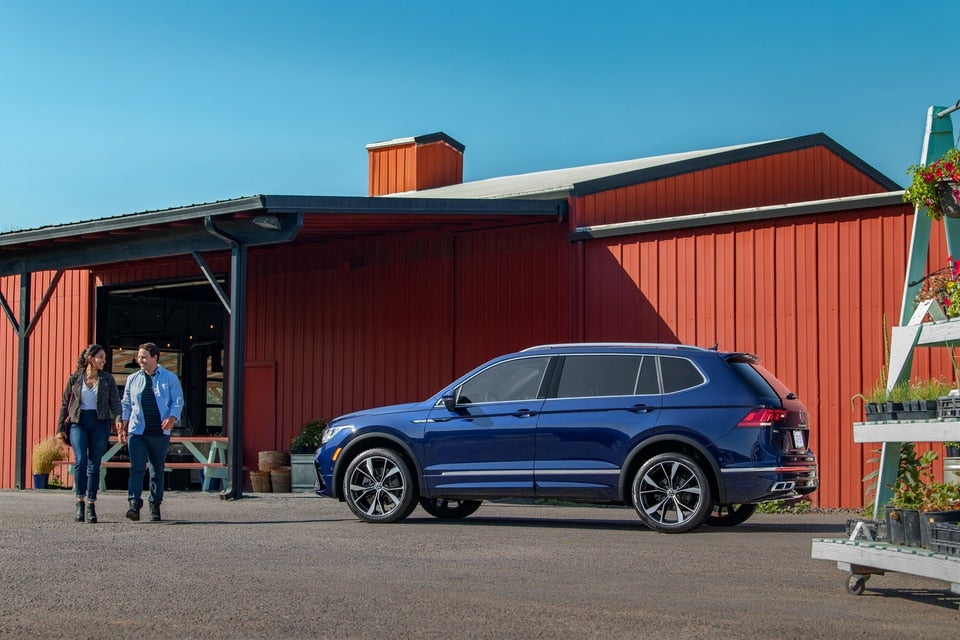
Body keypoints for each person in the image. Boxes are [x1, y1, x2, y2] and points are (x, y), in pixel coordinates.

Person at [56, 344, 123, 524]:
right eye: (101, 357)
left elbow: (115, 402)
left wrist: (118, 418)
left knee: (94, 465)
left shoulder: (107, 379)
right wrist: (60, 429)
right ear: (91, 358)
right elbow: (65, 404)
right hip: (78, 422)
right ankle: (79, 501)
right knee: (81, 461)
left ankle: (91, 504)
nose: (104, 361)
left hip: (100, 423)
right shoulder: (75, 378)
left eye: (105, 358)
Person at [118, 342, 184, 522]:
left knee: (157, 470)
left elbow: (178, 401)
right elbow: (126, 403)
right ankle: (133, 504)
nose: (140, 360)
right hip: (137, 431)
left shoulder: (169, 378)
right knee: (137, 468)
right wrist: (124, 422)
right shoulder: (133, 379)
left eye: (144, 357)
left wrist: (172, 417)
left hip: (159, 432)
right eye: (139, 357)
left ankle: (155, 504)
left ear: (155, 357)